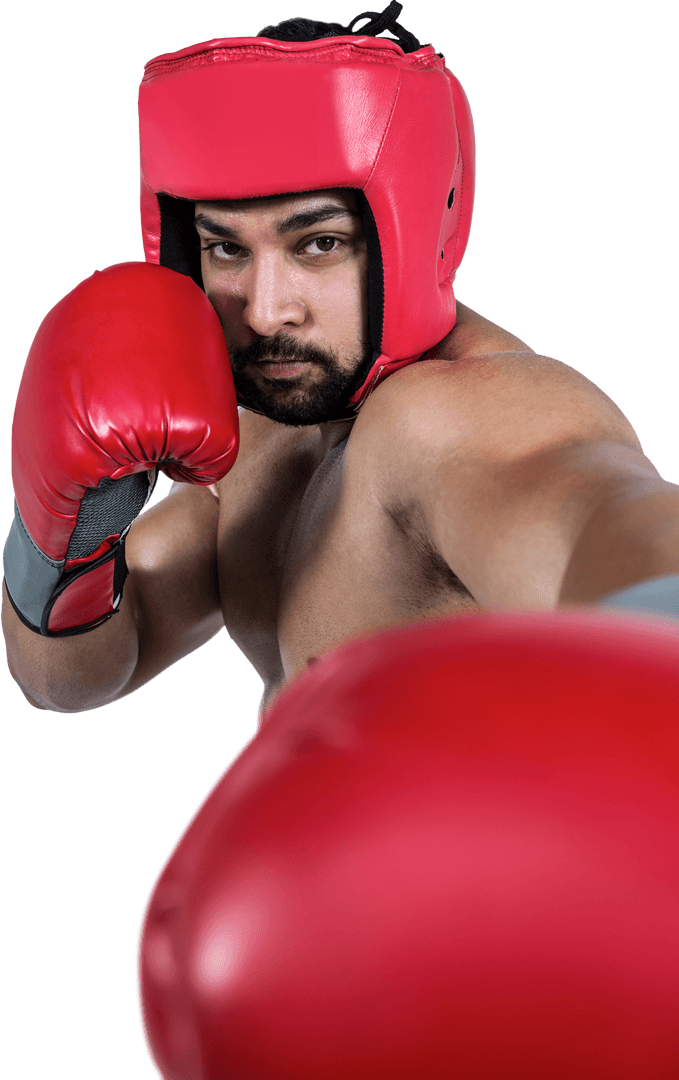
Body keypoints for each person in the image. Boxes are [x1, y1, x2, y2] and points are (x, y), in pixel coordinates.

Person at [1, 1, 678, 718]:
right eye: (227, 248)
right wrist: (67, 533)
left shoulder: (458, 417)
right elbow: (72, 678)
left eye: (317, 243)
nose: (266, 311)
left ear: (413, 232)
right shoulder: (262, 430)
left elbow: (611, 526)